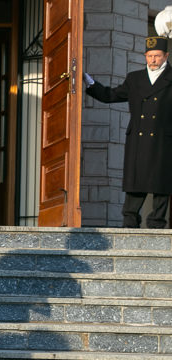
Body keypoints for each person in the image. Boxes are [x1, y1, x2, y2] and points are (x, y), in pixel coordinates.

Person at [84, 36, 172, 228]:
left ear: (166, 56)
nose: (153, 60)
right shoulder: (135, 79)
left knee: (161, 182)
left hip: (163, 140)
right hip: (138, 139)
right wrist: (90, 83)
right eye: (149, 56)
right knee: (136, 181)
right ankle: (130, 222)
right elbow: (110, 96)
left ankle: (157, 223)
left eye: (157, 56)